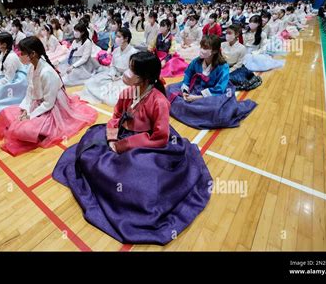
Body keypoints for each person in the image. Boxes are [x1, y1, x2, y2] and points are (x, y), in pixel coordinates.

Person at [53, 51, 213, 245]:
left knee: (133, 178)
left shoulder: (159, 101)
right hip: (122, 135)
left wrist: (123, 145)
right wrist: (112, 137)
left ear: (144, 77)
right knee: (88, 151)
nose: (127, 73)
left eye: (132, 70)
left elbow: (160, 137)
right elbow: (116, 116)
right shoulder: (127, 92)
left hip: (148, 143)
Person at [0, 36, 98, 156]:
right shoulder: (31, 67)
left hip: (51, 107)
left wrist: (30, 115)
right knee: (6, 113)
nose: (19, 55)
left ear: (32, 54)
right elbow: (30, 92)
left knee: (23, 129)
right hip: (37, 102)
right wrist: (25, 108)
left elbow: (48, 103)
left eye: (22, 53)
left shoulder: (47, 73)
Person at [167, 35, 256, 129]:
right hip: (197, 86)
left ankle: (192, 109)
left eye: (205, 48)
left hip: (215, 92)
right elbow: (188, 74)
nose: (201, 50)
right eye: (201, 47)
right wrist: (185, 90)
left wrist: (197, 97)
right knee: (169, 90)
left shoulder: (223, 66)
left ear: (214, 51)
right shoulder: (196, 61)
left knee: (216, 109)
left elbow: (220, 88)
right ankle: (192, 109)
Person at [79, 28, 138, 106]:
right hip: (113, 74)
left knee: (116, 95)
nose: (116, 38)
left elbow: (132, 71)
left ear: (126, 38)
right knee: (92, 82)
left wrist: (120, 77)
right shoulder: (116, 50)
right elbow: (112, 65)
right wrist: (113, 74)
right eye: (116, 36)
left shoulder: (133, 52)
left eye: (119, 36)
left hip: (126, 78)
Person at [221, 25, 262, 91]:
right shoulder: (222, 44)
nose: (227, 35)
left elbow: (239, 64)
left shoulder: (242, 48)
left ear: (236, 34)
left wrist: (228, 71)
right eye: (226, 33)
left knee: (228, 79)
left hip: (235, 68)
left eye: (230, 33)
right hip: (223, 66)